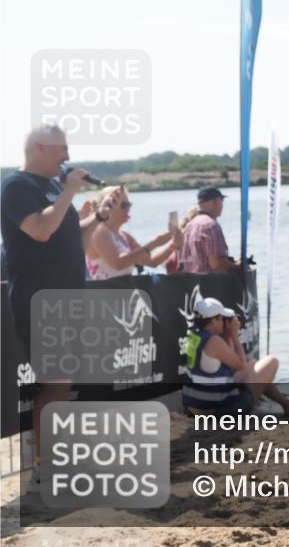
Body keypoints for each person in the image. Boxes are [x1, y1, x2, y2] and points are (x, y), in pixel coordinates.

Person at [0, 124, 120, 485]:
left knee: (62, 383)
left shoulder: (54, 188)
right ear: (39, 147)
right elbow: (40, 229)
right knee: (55, 382)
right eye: (62, 149)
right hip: (40, 299)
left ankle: (53, 459)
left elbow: (71, 243)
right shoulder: (15, 186)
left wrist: (96, 219)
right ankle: (45, 465)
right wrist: (69, 191)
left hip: (67, 297)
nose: (68, 156)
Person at [182, 297, 289, 416]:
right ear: (213, 321)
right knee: (271, 361)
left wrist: (228, 336)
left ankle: (287, 404)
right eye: (221, 318)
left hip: (197, 404)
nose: (223, 321)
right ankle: (286, 404)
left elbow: (228, 368)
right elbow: (240, 365)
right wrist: (235, 335)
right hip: (217, 410)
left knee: (253, 364)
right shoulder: (214, 341)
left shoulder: (195, 335)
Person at [85, 186, 183, 279]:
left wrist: (173, 245)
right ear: (109, 206)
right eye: (125, 205)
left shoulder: (124, 236)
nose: (129, 208)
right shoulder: (98, 231)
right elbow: (118, 263)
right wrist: (155, 242)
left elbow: (150, 261)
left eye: (129, 204)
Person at [179, 188, 239, 274]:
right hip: (210, 284)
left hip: (191, 284)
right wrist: (238, 266)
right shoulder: (211, 225)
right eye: (221, 200)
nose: (222, 204)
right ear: (215, 202)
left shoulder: (188, 226)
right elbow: (216, 264)